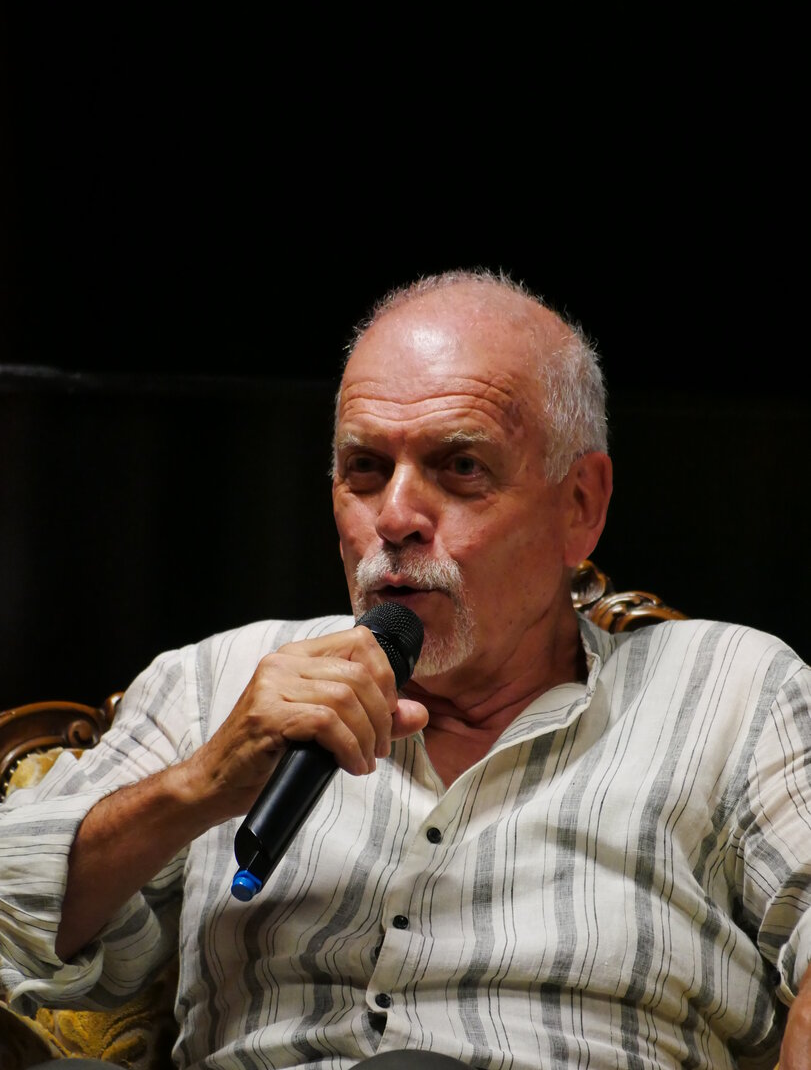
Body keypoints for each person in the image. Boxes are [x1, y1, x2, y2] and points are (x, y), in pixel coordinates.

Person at [1, 270, 809, 1070]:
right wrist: (199, 786)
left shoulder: (733, 689)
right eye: (364, 468)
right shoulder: (218, 681)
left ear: (579, 505)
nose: (393, 517)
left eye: (459, 467)